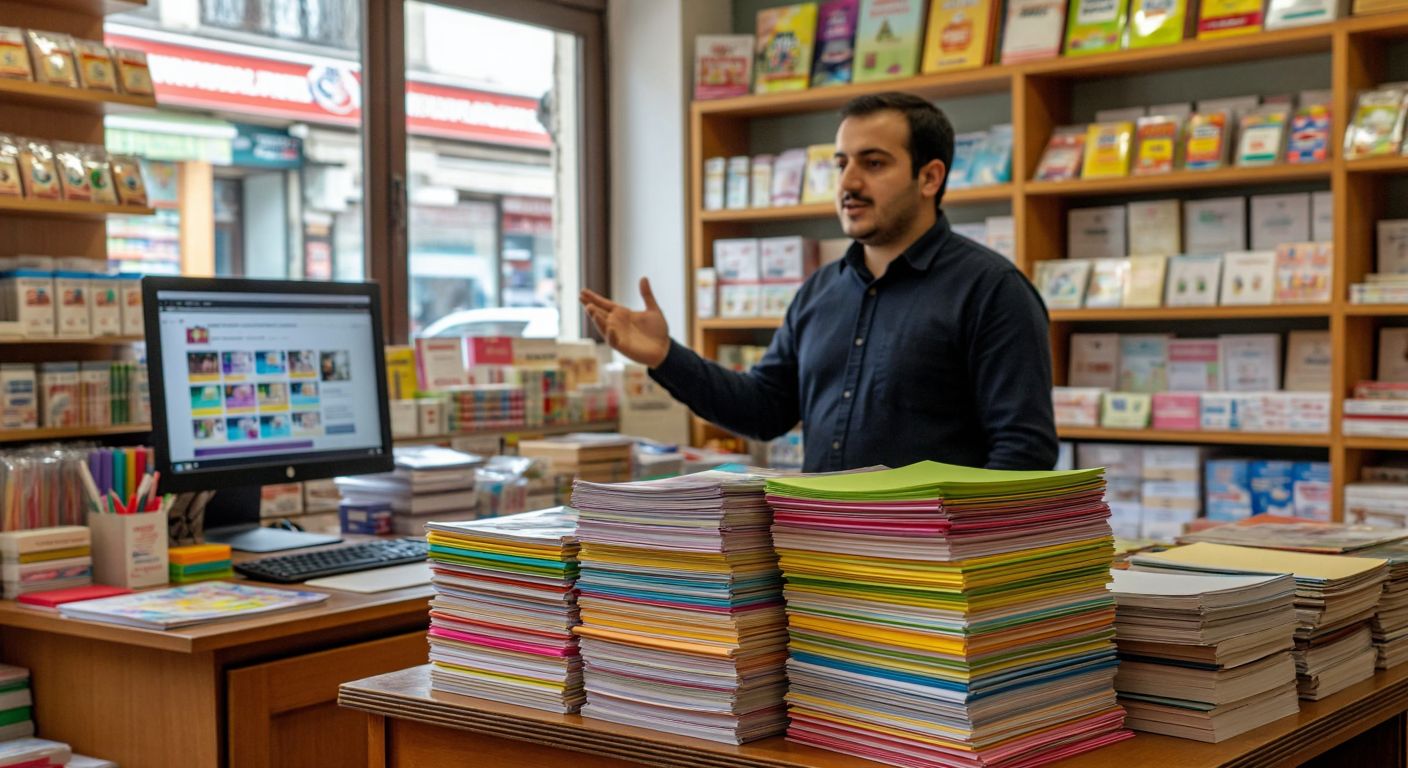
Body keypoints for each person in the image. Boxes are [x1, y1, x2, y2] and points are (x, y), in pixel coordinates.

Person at [581, 92, 1057, 472]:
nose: (847, 183)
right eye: (840, 163)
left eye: (872, 163)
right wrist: (667, 357)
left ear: (930, 177)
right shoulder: (820, 291)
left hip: (934, 575)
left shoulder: (993, 290)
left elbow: (1023, 453)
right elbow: (763, 410)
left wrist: (961, 556)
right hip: (819, 561)